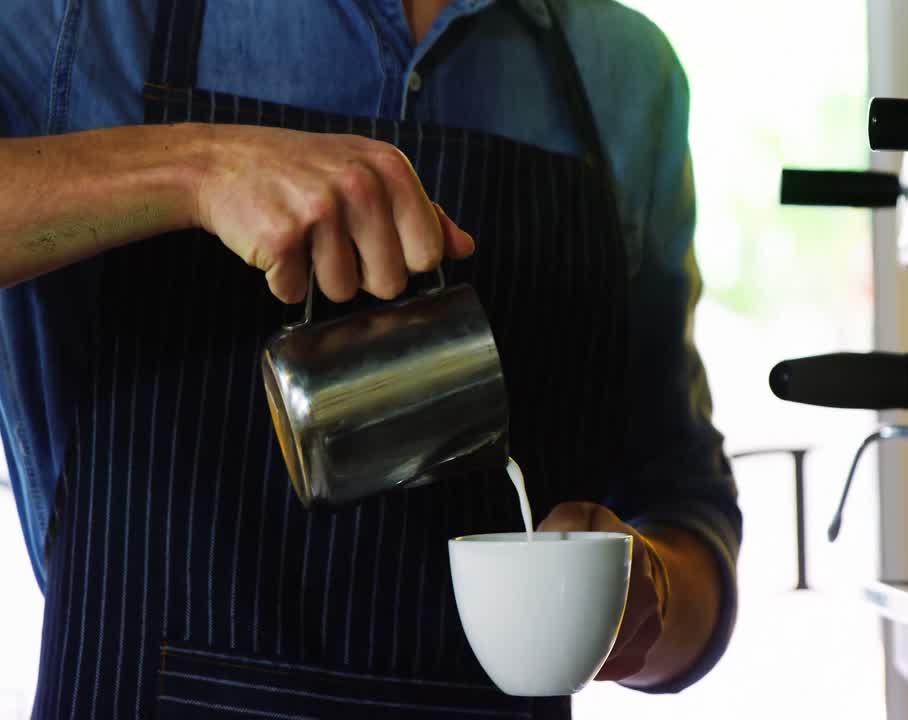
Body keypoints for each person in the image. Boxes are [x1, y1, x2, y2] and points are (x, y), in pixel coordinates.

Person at [0, 0, 741, 717]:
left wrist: (649, 598)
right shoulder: (84, 18)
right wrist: (196, 169)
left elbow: (686, 509)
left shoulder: (624, 70)